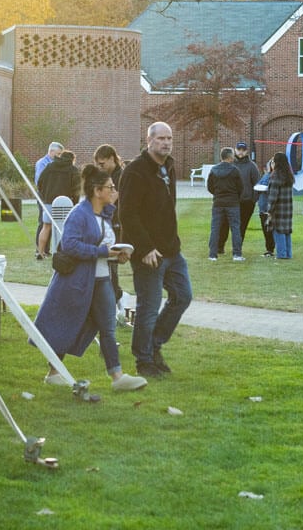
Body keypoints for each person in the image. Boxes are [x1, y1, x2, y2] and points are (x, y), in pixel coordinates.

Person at [34, 164, 146, 392]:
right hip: (78, 282)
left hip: (102, 280)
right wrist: (105, 253)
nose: (114, 191)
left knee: (108, 328)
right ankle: (54, 371)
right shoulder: (79, 214)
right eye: (110, 187)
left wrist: (117, 257)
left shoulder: (104, 215)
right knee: (67, 323)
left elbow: (103, 248)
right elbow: (70, 245)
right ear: (97, 191)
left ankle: (117, 377)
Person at [119, 122, 193, 378]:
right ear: (148, 141)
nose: (166, 142)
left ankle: (154, 345)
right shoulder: (135, 172)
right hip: (148, 254)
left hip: (171, 250)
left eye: (169, 138)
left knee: (183, 296)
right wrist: (145, 248)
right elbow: (127, 214)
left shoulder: (168, 167)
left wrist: (170, 242)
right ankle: (144, 361)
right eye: (161, 138)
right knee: (148, 308)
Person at [93, 144, 126, 300]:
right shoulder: (110, 176)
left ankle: (115, 295)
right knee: (109, 263)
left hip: (117, 222)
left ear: (112, 159)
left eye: (102, 164)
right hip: (111, 221)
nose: (100, 167)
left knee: (111, 260)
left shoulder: (120, 176)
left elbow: (113, 198)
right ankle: (114, 294)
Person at [217, 141, 260, 254]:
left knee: (241, 227)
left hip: (246, 202)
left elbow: (257, 184)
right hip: (230, 200)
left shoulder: (252, 166)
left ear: (246, 151)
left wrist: (253, 200)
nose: (241, 152)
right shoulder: (229, 164)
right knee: (224, 224)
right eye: (239, 149)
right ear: (235, 150)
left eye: (243, 150)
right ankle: (219, 247)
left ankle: (237, 249)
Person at [37, 150, 80, 259]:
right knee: (65, 228)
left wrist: (44, 196)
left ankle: (40, 252)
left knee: (46, 227)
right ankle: (63, 252)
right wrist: (75, 203)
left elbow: (40, 182)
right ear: (72, 160)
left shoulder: (49, 167)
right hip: (65, 203)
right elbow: (76, 189)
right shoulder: (73, 170)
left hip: (48, 201)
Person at [206, 147, 245, 261]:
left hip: (218, 202)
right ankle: (237, 254)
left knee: (215, 228)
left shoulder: (214, 170)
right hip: (232, 203)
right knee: (235, 228)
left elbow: (210, 187)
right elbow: (241, 187)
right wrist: (234, 196)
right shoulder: (235, 170)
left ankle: (212, 255)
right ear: (230, 157)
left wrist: (217, 194)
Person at [34, 142, 63, 258]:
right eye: (58, 154)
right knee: (43, 221)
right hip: (44, 195)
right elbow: (39, 181)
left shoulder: (54, 164)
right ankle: (39, 249)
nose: (59, 156)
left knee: (51, 223)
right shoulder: (42, 163)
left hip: (51, 196)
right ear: (51, 152)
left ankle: (46, 249)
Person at [265, 151, 295, 259]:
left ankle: (281, 254)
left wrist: (269, 211)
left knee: (278, 231)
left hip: (278, 209)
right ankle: (288, 254)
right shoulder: (289, 176)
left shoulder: (275, 176)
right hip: (288, 208)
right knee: (286, 231)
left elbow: (273, 197)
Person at [254, 159, 276, 258]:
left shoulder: (277, 177)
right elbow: (258, 186)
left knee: (271, 230)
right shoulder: (266, 175)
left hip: (271, 209)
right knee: (266, 230)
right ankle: (269, 249)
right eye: (271, 163)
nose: (273, 165)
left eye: (275, 163)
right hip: (263, 208)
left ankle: (272, 248)